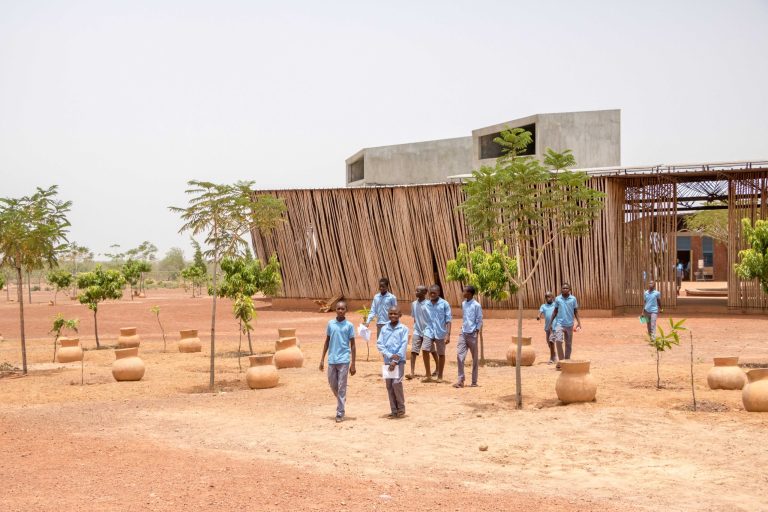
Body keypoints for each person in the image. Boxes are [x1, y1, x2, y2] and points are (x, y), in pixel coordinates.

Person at [319, 301, 356, 423]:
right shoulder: (331, 324)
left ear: (346, 310)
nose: (340, 311)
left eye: (342, 309)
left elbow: (353, 345)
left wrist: (353, 364)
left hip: (344, 360)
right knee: (332, 384)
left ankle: (340, 412)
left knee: (341, 387)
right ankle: (341, 399)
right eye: (338, 308)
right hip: (332, 360)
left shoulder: (349, 326)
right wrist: (322, 359)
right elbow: (327, 341)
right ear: (335, 309)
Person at [377, 306, 408, 418]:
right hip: (387, 361)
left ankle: (401, 408)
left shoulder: (404, 329)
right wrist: (390, 356)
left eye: (395, 314)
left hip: (399, 361)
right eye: (391, 313)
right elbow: (380, 344)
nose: (393, 316)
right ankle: (394, 410)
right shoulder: (384, 328)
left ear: (400, 315)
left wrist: (395, 360)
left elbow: (403, 345)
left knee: (396, 383)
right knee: (389, 386)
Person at [453, 285, 483, 388]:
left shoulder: (476, 305)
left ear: (469, 293)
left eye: (464, 291)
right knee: (459, 356)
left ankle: (474, 382)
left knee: (475, 358)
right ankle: (461, 380)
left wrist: (476, 331)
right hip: (463, 333)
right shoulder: (463, 304)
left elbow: (479, 319)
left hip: (472, 333)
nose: (463, 293)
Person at [407, 285, 438, 380]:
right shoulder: (413, 304)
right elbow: (415, 318)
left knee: (431, 351)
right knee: (413, 351)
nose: (416, 292)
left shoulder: (429, 304)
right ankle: (412, 372)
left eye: (418, 291)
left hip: (428, 331)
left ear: (424, 293)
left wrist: (433, 333)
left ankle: (438, 367)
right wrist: (415, 328)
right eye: (416, 290)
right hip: (417, 330)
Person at [423, 284, 452, 383]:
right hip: (429, 331)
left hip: (440, 332)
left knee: (441, 354)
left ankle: (440, 376)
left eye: (434, 293)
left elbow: (448, 320)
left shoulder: (444, 304)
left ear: (439, 293)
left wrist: (448, 334)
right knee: (425, 349)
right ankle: (428, 375)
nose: (432, 295)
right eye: (431, 293)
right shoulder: (426, 304)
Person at [551, 283, 581, 369]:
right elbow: (555, 311)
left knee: (568, 344)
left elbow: (575, 311)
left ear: (570, 289)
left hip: (569, 325)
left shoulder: (573, 299)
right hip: (559, 324)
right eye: (563, 288)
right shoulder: (557, 299)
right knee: (558, 341)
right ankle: (561, 361)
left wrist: (579, 322)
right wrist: (550, 322)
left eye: (566, 288)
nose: (564, 289)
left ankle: (567, 361)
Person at [537, 292, 557, 364]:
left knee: (551, 341)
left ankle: (552, 359)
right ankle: (554, 355)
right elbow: (540, 312)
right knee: (549, 343)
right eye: (546, 297)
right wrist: (538, 316)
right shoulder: (543, 306)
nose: (548, 298)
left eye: (549, 297)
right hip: (547, 327)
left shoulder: (555, 305)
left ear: (552, 297)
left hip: (554, 327)